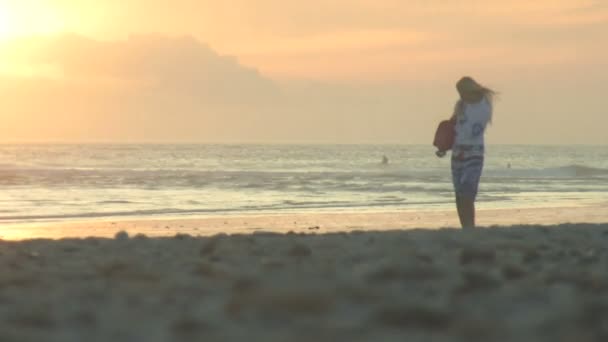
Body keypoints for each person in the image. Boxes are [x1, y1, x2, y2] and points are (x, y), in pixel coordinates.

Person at [445, 76, 496, 229]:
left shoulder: (483, 106)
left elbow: (473, 130)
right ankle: (465, 227)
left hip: (474, 154)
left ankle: (470, 226)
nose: (461, 96)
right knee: (459, 194)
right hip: (457, 153)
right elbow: (452, 127)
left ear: (470, 90)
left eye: (462, 92)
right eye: (459, 93)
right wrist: (443, 145)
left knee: (468, 192)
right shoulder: (461, 105)